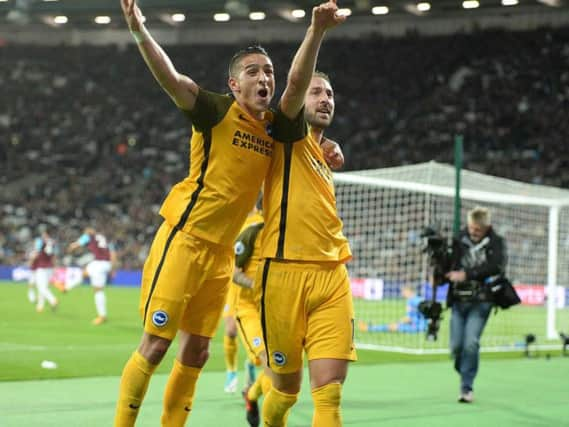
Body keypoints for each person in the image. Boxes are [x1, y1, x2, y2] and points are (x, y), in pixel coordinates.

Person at [114, 1, 344, 425]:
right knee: (156, 344)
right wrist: (139, 32)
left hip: (221, 255)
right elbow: (172, 79)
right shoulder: (217, 111)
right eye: (253, 71)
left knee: (197, 352)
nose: (264, 77)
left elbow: (304, 129)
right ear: (234, 84)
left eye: (268, 71)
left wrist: (328, 145)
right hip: (185, 238)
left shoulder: (276, 129)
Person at [258, 70, 354, 427]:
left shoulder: (324, 155)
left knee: (329, 395)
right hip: (283, 274)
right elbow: (295, 85)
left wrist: (331, 145)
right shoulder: (287, 135)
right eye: (316, 92)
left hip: (332, 274)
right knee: (284, 393)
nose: (325, 98)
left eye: (329, 93)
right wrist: (318, 30)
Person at [446, 206, 507, 404]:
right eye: (471, 228)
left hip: (482, 301)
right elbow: (449, 265)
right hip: (459, 300)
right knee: (456, 347)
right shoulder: (458, 239)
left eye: (477, 230)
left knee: (471, 343)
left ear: (486, 227)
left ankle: (466, 387)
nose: (473, 232)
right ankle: (464, 368)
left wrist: (468, 274)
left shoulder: (496, 242)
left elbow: (496, 265)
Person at [68, 227, 116, 325]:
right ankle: (66, 287)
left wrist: (71, 248)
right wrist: (112, 267)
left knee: (98, 290)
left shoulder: (89, 236)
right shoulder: (103, 237)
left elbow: (75, 245)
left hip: (99, 264)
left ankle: (102, 316)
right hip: (105, 264)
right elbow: (113, 253)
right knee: (85, 272)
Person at [358, 285, 427, 333]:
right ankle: (369, 327)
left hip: (417, 327)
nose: (402, 294)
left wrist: (397, 323)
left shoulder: (411, 301)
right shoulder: (419, 299)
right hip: (422, 326)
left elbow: (408, 319)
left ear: (408, 291)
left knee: (391, 327)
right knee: (393, 326)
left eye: (403, 291)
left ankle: (367, 328)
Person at [31, 228, 58, 313]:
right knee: (44, 287)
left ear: (45, 234)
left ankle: (53, 300)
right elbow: (54, 256)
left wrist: (31, 261)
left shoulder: (40, 241)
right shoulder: (53, 242)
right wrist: (54, 267)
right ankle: (40, 306)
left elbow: (36, 253)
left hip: (41, 267)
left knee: (41, 287)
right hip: (49, 268)